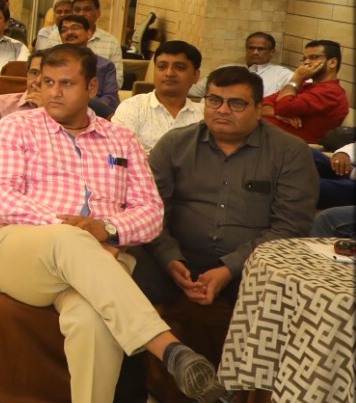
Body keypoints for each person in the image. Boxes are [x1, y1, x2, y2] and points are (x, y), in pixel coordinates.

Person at [0, 43, 226, 403]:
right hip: (18, 251)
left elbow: (151, 214)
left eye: (66, 83)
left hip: (101, 261)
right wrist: (77, 234)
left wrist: (108, 228)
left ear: (92, 86)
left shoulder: (120, 139)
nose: (54, 92)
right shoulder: (16, 128)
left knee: (92, 317)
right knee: (70, 241)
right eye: (46, 82)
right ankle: (168, 348)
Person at [135, 65, 317, 313]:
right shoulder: (174, 144)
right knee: (123, 271)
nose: (222, 110)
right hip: (176, 257)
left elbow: (290, 226)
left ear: (259, 109)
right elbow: (149, 210)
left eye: (236, 104)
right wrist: (169, 259)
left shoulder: (290, 152)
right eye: (214, 100)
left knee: (279, 293)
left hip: (254, 263)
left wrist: (229, 268)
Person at [112, 40, 204, 152]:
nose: (169, 73)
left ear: (196, 75)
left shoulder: (203, 116)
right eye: (162, 66)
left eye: (179, 67)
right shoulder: (133, 108)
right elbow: (117, 155)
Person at [262, 39, 349, 144]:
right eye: (304, 59)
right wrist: (277, 115)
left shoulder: (331, 92)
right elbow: (258, 105)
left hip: (288, 147)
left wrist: (296, 79)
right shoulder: (304, 85)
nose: (306, 62)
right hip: (265, 137)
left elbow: (283, 107)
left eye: (314, 57)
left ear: (332, 63)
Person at [57, 14, 121, 116]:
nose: (69, 32)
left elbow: (111, 97)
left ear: (88, 34)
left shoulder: (105, 65)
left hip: (96, 114)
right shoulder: (53, 64)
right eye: (64, 30)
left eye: (75, 28)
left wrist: (91, 107)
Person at [71, 0, 122, 78]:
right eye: (77, 10)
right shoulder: (59, 37)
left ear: (98, 13)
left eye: (87, 10)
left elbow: (117, 77)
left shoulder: (111, 42)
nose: (81, 14)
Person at [0, 51, 46, 121]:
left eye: (47, 74)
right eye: (34, 73)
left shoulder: (59, 112)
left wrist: (46, 111)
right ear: (27, 75)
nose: (38, 81)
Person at [236, 32, 294, 97]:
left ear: (272, 52)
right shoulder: (232, 72)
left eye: (261, 49)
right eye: (251, 48)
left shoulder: (282, 75)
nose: (255, 52)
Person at [312, 141, 353, 209]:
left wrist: (352, 172)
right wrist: (343, 153)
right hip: (351, 167)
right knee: (305, 152)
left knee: (310, 185)